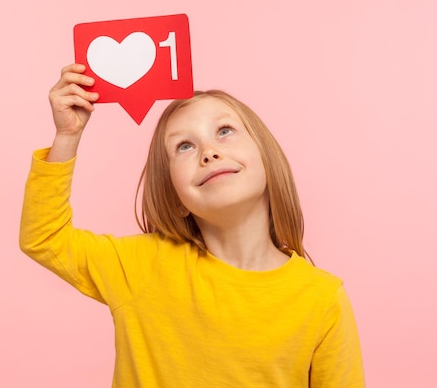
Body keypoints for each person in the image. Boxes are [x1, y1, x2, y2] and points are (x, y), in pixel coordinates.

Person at [20, 63, 365, 387]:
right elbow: (45, 237)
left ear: (266, 158)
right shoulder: (143, 266)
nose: (209, 152)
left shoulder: (322, 299)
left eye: (225, 131)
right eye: (184, 146)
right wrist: (67, 136)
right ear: (174, 198)